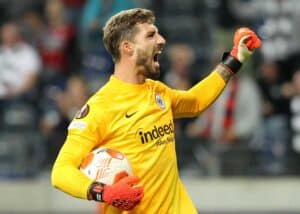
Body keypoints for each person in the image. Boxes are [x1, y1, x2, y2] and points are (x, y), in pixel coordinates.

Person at [51, 8, 261, 213]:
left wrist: (236, 58)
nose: (161, 40)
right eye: (151, 35)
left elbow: (196, 101)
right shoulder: (99, 108)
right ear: (128, 47)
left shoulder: (158, 91)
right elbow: (60, 172)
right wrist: (104, 192)